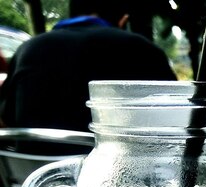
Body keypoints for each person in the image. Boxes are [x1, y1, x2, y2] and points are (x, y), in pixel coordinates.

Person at [0, 0, 177, 133]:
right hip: (117, 176)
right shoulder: (144, 50)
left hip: (30, 176)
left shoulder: (28, 49)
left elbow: (6, 119)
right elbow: (176, 119)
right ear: (123, 20)